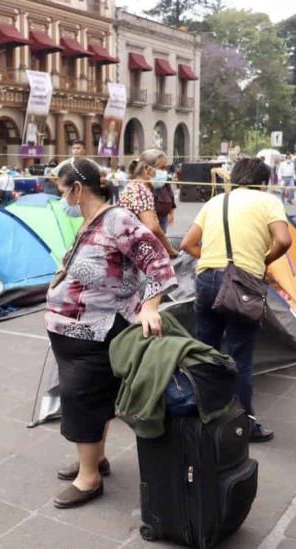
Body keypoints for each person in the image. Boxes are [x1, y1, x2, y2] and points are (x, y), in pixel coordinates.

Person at [46, 158, 176, 508]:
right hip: (74, 332)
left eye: (61, 188)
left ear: (77, 188)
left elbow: (159, 262)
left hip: (97, 330)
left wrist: (150, 307)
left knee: (81, 399)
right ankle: (95, 459)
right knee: (94, 398)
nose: (59, 195)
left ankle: (88, 479)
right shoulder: (92, 220)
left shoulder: (118, 219)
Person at [181, 157, 291, 443]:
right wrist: (262, 261)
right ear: (263, 182)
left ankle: (202, 415)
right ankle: (245, 425)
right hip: (243, 282)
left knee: (206, 352)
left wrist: (211, 261)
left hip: (206, 280)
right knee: (240, 357)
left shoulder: (215, 202)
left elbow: (187, 244)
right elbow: (284, 240)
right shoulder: (268, 202)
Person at [120, 149, 178, 258]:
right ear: (146, 169)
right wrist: (170, 250)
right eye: (162, 168)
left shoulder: (133, 186)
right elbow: (152, 227)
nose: (164, 173)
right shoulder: (141, 190)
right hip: (132, 253)